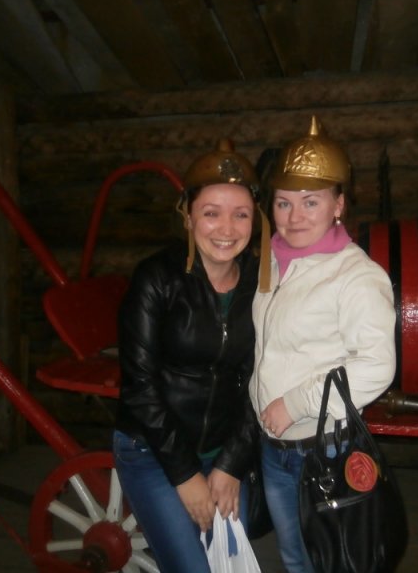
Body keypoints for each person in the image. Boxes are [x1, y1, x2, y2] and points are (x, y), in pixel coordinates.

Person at [249, 116, 397, 573]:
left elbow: (376, 365)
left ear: (339, 205)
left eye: (310, 202)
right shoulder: (272, 262)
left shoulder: (355, 275)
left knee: (333, 563)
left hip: (322, 450)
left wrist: (296, 403)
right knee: (295, 559)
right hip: (273, 447)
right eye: (284, 202)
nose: (294, 217)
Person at [112, 139, 268, 572]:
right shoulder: (156, 279)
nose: (226, 228)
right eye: (211, 213)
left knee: (230, 564)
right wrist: (185, 476)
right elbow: (140, 387)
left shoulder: (261, 282)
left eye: (241, 214)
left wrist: (231, 464)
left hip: (223, 451)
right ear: (188, 215)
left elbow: (263, 377)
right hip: (152, 449)